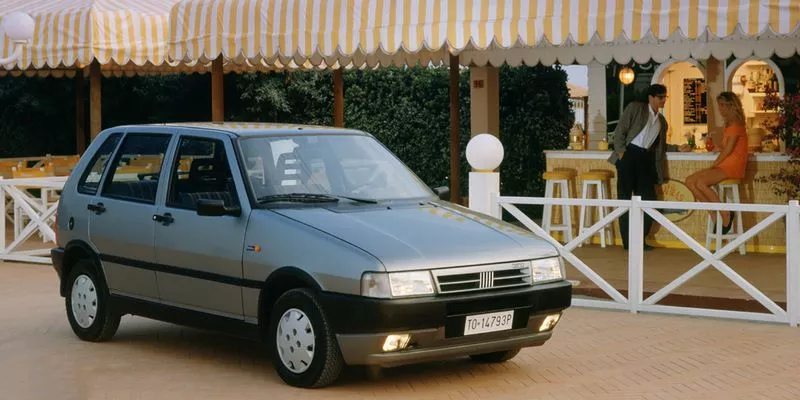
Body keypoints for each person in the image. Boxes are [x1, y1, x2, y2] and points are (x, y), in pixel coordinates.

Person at [607, 84, 669, 250]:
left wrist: (679, 147)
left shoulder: (662, 121)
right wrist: (621, 153)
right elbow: (620, 131)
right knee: (625, 200)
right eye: (660, 97)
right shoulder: (635, 108)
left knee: (649, 201)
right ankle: (628, 243)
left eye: (665, 97)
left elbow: (660, 146)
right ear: (651, 97)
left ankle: (640, 240)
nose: (664, 100)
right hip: (629, 155)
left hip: (645, 159)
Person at [684, 91, 748, 234]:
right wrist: (716, 147)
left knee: (700, 182)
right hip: (725, 164)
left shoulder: (736, 125)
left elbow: (729, 151)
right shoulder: (729, 125)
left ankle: (725, 213)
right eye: (719, 105)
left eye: (723, 105)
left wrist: (714, 164)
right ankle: (713, 214)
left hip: (732, 166)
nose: (720, 109)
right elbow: (725, 147)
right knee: (689, 181)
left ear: (732, 106)